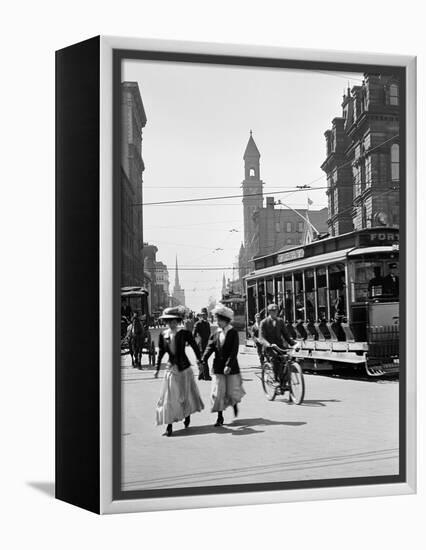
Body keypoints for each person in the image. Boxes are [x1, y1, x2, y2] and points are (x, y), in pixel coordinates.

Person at [155, 306, 204, 437]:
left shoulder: (184, 333)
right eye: (169, 321)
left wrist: (200, 360)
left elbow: (194, 346)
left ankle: (187, 414)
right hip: (171, 369)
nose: (171, 324)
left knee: (185, 395)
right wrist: (157, 367)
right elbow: (161, 352)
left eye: (174, 321)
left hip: (184, 369)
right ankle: (169, 426)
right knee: (169, 397)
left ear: (178, 321)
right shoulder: (163, 335)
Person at [201, 305, 245, 427]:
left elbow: (234, 351)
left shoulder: (233, 333)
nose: (217, 323)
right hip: (218, 367)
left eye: (219, 320)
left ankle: (234, 404)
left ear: (226, 320)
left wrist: (229, 365)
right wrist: (203, 359)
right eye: (217, 320)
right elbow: (210, 347)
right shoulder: (215, 334)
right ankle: (220, 417)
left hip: (231, 367)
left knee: (232, 392)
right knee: (218, 392)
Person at [259, 303, 299, 382]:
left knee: (287, 359)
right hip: (269, 348)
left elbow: (286, 334)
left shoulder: (280, 321)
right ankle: (276, 379)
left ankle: (285, 380)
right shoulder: (264, 322)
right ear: (269, 312)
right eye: (272, 311)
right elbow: (261, 337)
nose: (275, 312)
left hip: (279, 346)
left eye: (276, 311)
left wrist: (293, 343)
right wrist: (268, 345)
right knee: (275, 359)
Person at [193, 307, 212, 380]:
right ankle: (206, 375)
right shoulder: (197, 324)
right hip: (200, 344)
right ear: (201, 316)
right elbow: (193, 334)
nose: (204, 316)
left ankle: (201, 375)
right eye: (203, 315)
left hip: (206, 344)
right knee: (203, 359)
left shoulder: (207, 324)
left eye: (205, 315)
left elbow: (209, 334)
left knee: (202, 359)